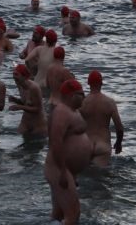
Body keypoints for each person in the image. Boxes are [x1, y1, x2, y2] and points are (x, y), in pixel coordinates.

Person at [44, 79, 92, 225]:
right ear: (71, 95)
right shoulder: (61, 111)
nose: (84, 97)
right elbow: (55, 142)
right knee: (73, 214)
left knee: (59, 214)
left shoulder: (74, 111)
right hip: (59, 169)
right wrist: (63, 172)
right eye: (81, 94)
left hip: (66, 170)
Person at [80, 70, 124, 167]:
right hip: (103, 147)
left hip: (86, 146)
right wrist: (118, 143)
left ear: (88, 84)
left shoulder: (82, 103)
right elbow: (119, 127)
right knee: (101, 178)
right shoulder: (110, 102)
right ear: (101, 83)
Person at [8, 64, 47, 137]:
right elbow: (26, 103)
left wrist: (19, 107)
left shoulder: (34, 88)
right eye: (13, 74)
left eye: (16, 74)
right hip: (25, 122)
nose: (14, 77)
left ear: (24, 76)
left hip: (38, 124)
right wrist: (15, 100)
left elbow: (37, 109)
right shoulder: (19, 84)